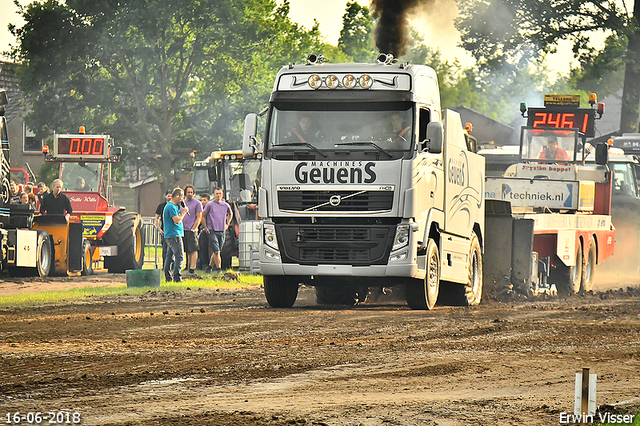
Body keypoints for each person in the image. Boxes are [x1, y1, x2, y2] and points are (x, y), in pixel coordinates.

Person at [202, 188, 232, 273]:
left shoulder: (225, 205)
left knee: (217, 251)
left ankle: (209, 267)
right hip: (212, 230)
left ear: (222, 195)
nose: (218, 195)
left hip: (222, 230)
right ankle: (219, 269)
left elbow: (230, 214)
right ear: (214, 195)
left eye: (219, 194)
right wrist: (206, 227)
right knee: (216, 250)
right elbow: (202, 215)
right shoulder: (209, 205)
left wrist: (227, 223)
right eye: (216, 194)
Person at [162, 187, 189, 282]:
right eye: (182, 197)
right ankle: (177, 277)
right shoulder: (171, 207)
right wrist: (184, 213)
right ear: (177, 196)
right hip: (174, 235)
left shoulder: (171, 206)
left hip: (170, 234)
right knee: (180, 256)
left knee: (169, 257)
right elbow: (177, 220)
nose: (182, 200)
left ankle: (168, 277)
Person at [181, 185, 203, 274]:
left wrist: (194, 228)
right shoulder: (182, 203)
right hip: (183, 229)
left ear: (193, 193)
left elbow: (199, 217)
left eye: (191, 192)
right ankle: (188, 266)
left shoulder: (197, 203)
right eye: (188, 192)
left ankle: (192, 269)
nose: (189, 194)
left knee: (193, 249)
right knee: (187, 249)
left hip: (192, 230)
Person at [155, 190, 173, 269]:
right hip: (164, 231)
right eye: (168, 196)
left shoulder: (175, 206)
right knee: (165, 249)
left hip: (172, 231)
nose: (169, 198)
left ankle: (173, 265)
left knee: (173, 249)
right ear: (166, 196)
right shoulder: (161, 206)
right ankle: (165, 265)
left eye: (171, 196)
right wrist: (159, 229)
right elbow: (156, 218)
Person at [196, 193, 211, 271]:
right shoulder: (199, 208)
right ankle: (202, 264)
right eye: (201, 200)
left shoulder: (211, 208)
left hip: (211, 229)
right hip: (202, 230)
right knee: (202, 248)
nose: (203, 202)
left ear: (208, 200)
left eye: (204, 200)